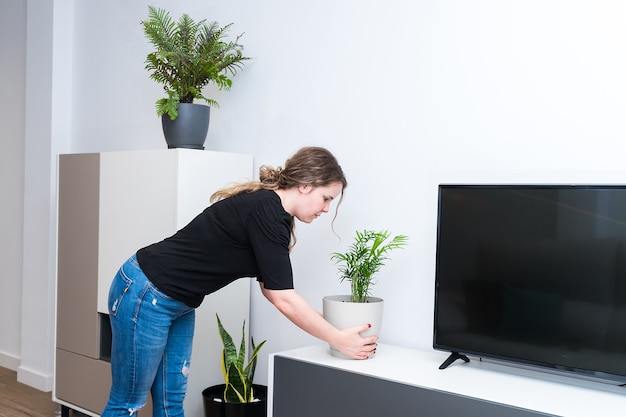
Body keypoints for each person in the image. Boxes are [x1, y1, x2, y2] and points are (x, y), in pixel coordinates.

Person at [101, 146, 378, 417]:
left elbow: (273, 292)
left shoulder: (275, 215)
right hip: (146, 291)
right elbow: (283, 298)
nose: (327, 209)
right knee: (128, 403)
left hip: (177, 302)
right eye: (326, 198)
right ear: (305, 186)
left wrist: (335, 332)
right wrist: (338, 339)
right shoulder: (266, 211)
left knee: (170, 404)